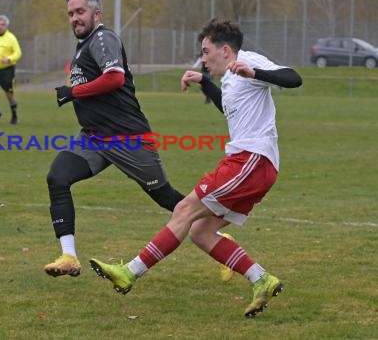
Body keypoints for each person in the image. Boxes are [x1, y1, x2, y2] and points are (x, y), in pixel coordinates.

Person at [89, 19, 302, 318]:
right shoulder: (230, 77)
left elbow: (293, 78)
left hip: (251, 160)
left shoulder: (247, 62)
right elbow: (229, 108)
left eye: (205, 51)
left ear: (225, 50)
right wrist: (205, 83)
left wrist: (255, 72)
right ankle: (262, 280)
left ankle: (129, 272)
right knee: (201, 231)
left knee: (185, 210)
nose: (202, 58)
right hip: (253, 164)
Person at [43, 0, 185, 278]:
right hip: (94, 138)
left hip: (127, 138)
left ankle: (222, 243)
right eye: (70, 13)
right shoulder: (84, 43)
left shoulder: (103, 38)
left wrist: (73, 91)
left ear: (97, 14)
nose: (74, 18)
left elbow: (115, 78)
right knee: (58, 177)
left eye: (80, 11)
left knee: (168, 199)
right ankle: (69, 256)